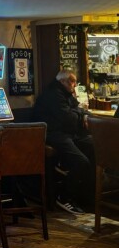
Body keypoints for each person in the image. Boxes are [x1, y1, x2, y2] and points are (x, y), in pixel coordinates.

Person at [33, 69, 95, 214]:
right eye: (72, 81)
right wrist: (81, 115)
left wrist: (83, 115)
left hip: (67, 133)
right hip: (52, 134)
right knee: (81, 161)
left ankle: (86, 196)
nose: (75, 85)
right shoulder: (53, 94)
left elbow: (80, 109)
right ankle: (64, 197)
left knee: (94, 145)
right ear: (62, 81)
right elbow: (69, 119)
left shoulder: (65, 93)